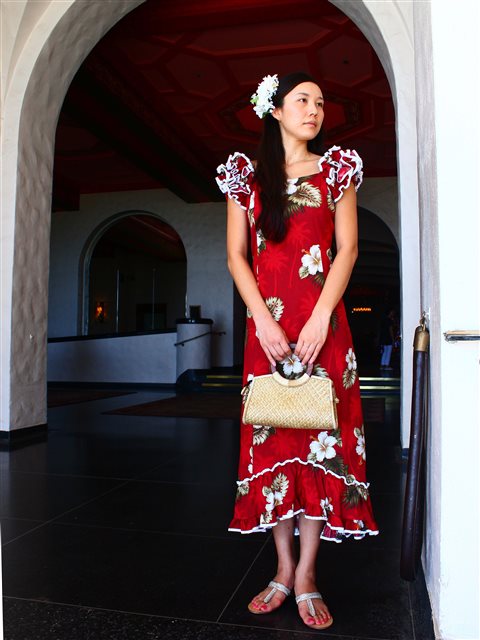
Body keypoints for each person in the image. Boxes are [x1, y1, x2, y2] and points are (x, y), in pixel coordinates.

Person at [216, 72, 379, 631]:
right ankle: (283, 568)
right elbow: (238, 257)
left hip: (323, 328)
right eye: (302, 101)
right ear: (276, 112)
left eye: (320, 102)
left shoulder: (337, 171)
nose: (315, 109)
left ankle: (308, 573)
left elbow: (348, 248)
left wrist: (318, 320)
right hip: (268, 332)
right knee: (273, 440)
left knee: (319, 442)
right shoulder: (246, 178)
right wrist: (261, 319)